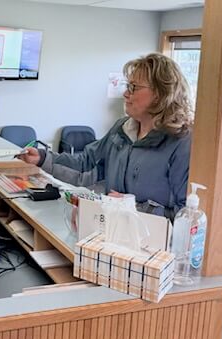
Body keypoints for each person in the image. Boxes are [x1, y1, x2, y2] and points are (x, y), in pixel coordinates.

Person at [19, 53, 194, 219]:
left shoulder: (182, 143)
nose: (126, 94)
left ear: (161, 93)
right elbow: (85, 166)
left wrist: (130, 207)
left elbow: (184, 215)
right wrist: (42, 158)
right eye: (128, 86)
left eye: (134, 88)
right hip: (112, 234)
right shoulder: (122, 129)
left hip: (152, 244)